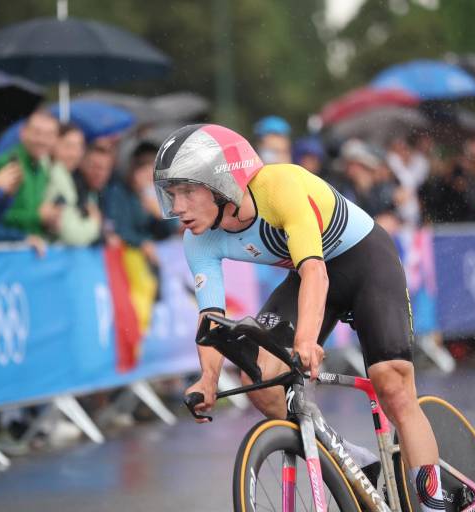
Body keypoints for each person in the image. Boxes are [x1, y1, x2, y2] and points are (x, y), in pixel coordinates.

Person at [155, 124, 446, 510]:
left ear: (222, 183)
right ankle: (361, 465)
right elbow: (211, 317)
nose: (177, 207)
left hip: (363, 263)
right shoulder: (197, 237)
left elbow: (316, 271)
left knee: (391, 384)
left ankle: (434, 502)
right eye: (172, 195)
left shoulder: (280, 186)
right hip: (309, 275)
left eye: (188, 191)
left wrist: (306, 341)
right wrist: (208, 378)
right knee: (261, 381)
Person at [0, 109, 59, 237]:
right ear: (23, 132)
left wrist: (50, 225)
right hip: (6, 251)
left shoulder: (42, 169)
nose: (42, 140)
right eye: (37, 132)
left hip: (31, 252)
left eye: (49, 135)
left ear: (55, 139)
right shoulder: (9, 164)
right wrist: (37, 217)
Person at [42, 124, 101, 245]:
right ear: (54, 144)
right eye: (68, 146)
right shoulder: (56, 174)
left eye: (79, 147)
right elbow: (69, 234)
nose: (74, 154)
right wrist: (95, 223)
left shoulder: (66, 175)